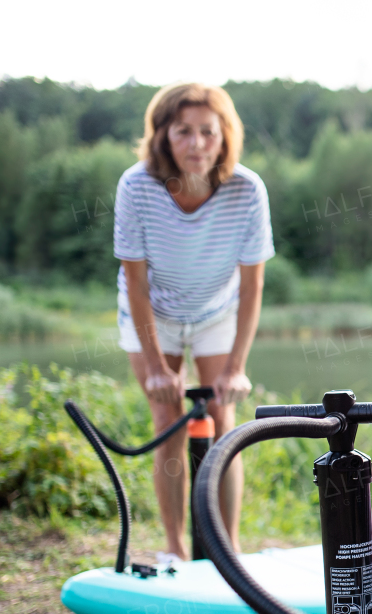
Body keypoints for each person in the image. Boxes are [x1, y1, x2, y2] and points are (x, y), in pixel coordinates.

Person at [113, 83, 274, 560]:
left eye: (208, 131)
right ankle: (174, 548)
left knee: (224, 421)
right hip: (152, 312)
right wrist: (158, 366)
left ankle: (229, 549)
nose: (197, 143)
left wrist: (235, 367)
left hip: (215, 312)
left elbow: (252, 288)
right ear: (163, 136)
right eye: (184, 131)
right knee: (169, 420)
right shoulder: (136, 186)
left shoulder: (247, 189)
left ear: (225, 136)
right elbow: (136, 285)